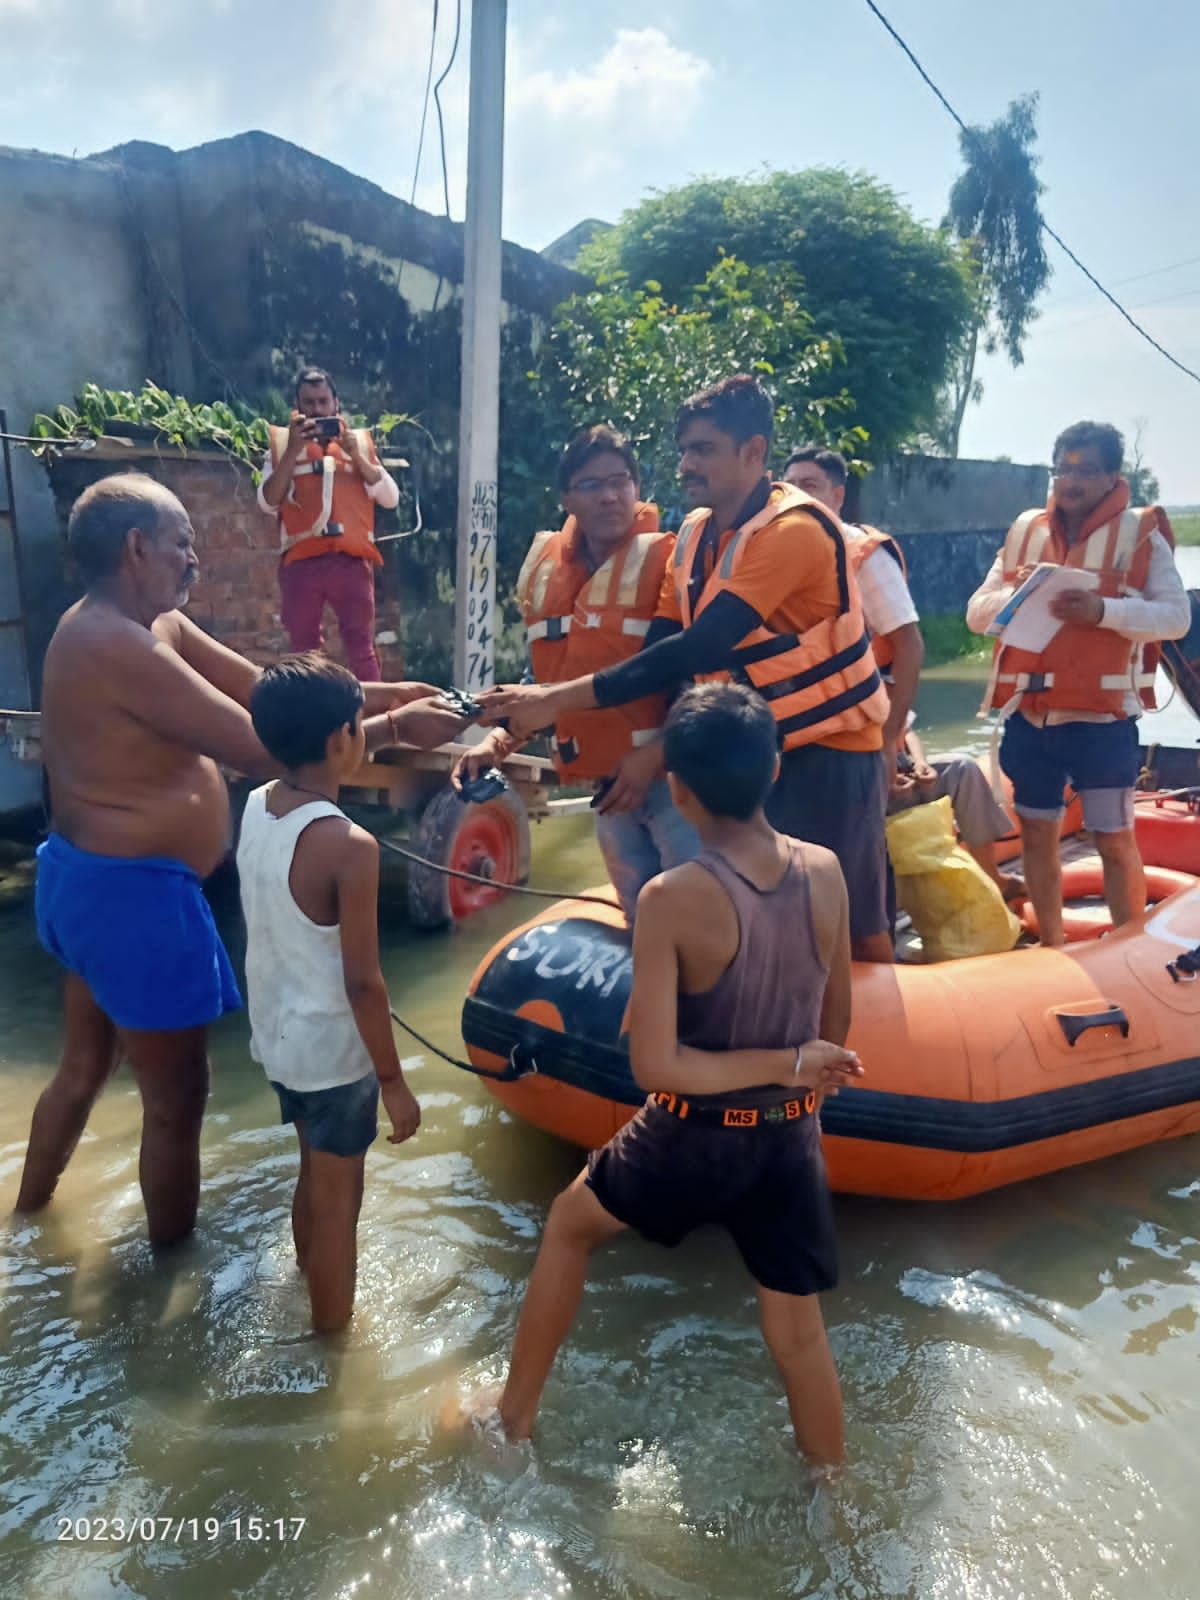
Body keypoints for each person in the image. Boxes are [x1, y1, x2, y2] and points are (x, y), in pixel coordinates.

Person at [14, 472, 461, 1245]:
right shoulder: (117, 642)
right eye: (184, 543)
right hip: (134, 898)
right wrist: (393, 734)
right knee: (177, 1098)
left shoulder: (139, 625)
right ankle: (171, 1274)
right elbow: (269, 746)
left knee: (84, 1068)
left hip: (84, 881)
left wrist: (383, 698)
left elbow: (264, 692)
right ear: (136, 548)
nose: (196, 560)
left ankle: (24, 1226)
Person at [490, 683, 864, 1463]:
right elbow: (835, 1025)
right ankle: (833, 1500)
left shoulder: (670, 897)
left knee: (568, 1225)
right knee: (797, 1332)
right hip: (787, 1136)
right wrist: (797, 1076)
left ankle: (510, 1426)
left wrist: (784, 1064)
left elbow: (656, 1065)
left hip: (692, 1135)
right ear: (776, 766)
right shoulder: (825, 871)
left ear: (678, 790)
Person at [480, 376, 894, 963]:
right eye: (682, 450)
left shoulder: (793, 532)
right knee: (769, 910)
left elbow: (702, 646)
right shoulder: (696, 535)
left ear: (753, 452)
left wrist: (557, 701)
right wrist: (530, 716)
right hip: (749, 751)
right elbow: (660, 650)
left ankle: (892, 1027)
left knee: (853, 915)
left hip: (830, 749)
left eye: (703, 450)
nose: (685, 465)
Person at [238, 655, 449, 1332]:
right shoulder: (350, 845)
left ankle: (307, 1283)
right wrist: (394, 1082)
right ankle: (330, 1351)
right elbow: (364, 981)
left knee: (312, 1173)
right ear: (341, 740)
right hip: (334, 1058)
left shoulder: (254, 807)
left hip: (278, 1042)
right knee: (342, 1207)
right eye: (360, 724)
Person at [452, 424, 698, 920]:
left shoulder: (674, 561)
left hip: (677, 783)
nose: (610, 496)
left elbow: (705, 681)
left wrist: (653, 755)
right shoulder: (548, 573)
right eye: (592, 485)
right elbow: (541, 681)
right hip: (608, 788)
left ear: (636, 487)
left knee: (695, 919)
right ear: (566, 498)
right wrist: (494, 745)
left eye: (621, 480)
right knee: (640, 920)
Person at [967, 420, 1189, 946]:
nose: (1071, 482)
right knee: (1039, 838)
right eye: (1063, 469)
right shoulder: (1026, 531)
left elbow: (1176, 618)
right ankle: (1050, 945)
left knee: (1114, 838)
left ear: (1112, 475)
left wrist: (1100, 611)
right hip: (1031, 715)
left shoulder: (1141, 535)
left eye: (1086, 471)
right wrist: (1017, 597)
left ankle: (1131, 948)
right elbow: (978, 613)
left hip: (1101, 720)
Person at [784, 445, 1021, 900]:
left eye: (809, 486)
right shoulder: (776, 555)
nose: (797, 496)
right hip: (809, 743)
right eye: (789, 486)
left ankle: (990, 880)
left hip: (865, 746)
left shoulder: (859, 554)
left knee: (959, 777)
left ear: (837, 495)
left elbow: (908, 651)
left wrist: (905, 756)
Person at [259, 366, 399, 682]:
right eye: (309, 403)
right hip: (301, 563)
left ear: (336, 403)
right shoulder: (282, 446)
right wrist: (294, 450)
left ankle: (373, 720)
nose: (317, 410)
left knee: (362, 649)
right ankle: (313, 719)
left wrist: (357, 457)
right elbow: (267, 502)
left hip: (351, 563)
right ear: (297, 405)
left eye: (323, 401)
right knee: (304, 652)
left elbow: (390, 498)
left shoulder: (359, 444)